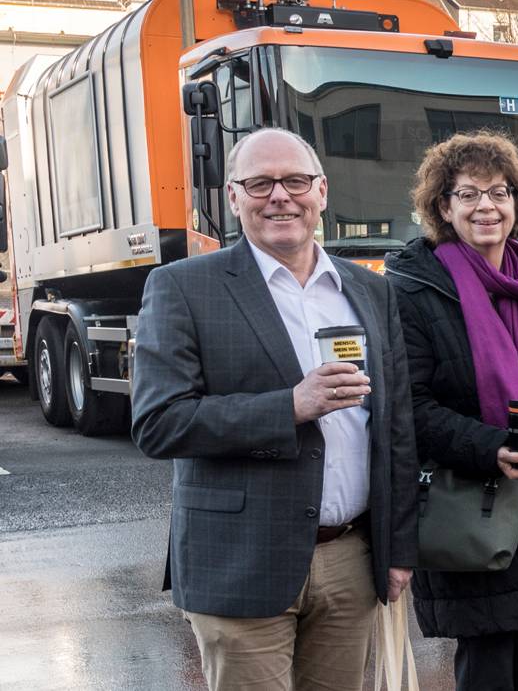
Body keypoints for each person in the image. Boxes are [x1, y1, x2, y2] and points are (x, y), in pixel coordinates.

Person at [131, 128, 417, 691]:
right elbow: (159, 423)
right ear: (233, 197)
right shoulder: (183, 287)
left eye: (296, 181)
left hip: (350, 561)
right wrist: (290, 406)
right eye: (260, 183)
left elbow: (396, 428)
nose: (280, 196)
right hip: (240, 562)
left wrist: (398, 547)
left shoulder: (370, 290)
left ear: (322, 192)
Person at [384, 130, 518, 690]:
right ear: (443, 206)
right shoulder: (414, 289)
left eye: (499, 193)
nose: (486, 206)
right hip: (470, 503)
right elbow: (408, 405)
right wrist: (491, 447)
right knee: (488, 665)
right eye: (469, 194)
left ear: (517, 203)